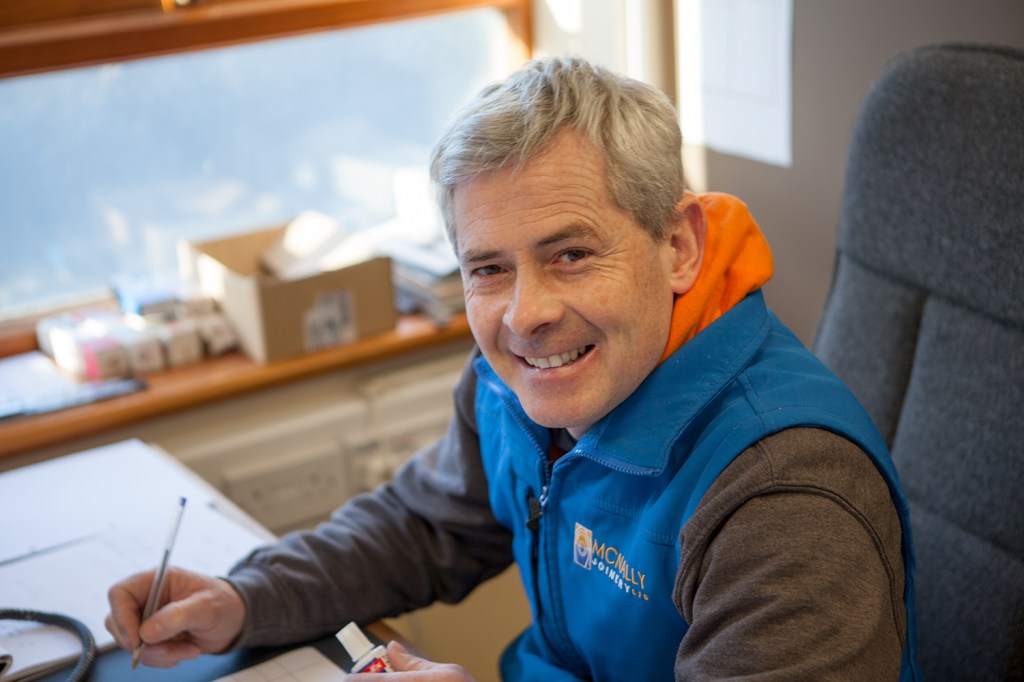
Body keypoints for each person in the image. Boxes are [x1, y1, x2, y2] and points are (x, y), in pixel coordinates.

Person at [107, 56, 919, 680]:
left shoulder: (786, 499)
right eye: (488, 269)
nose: (525, 315)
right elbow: (423, 526)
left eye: (569, 253)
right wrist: (248, 597)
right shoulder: (517, 379)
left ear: (677, 247)